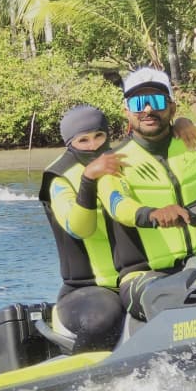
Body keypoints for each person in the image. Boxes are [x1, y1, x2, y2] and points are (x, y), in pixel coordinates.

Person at [86, 22, 196, 321]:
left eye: (155, 101)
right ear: (126, 111)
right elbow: (119, 206)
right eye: (138, 103)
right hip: (146, 276)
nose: (148, 110)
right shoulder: (113, 162)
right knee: (177, 298)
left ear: (172, 107)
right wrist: (151, 214)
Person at [39, 106, 129, 352]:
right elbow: (77, 227)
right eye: (83, 140)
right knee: (103, 317)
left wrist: (181, 125)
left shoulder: (123, 160)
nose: (93, 146)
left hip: (134, 279)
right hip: (86, 290)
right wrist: (88, 181)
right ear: (70, 143)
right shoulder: (59, 179)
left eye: (99, 136)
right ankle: (82, 383)